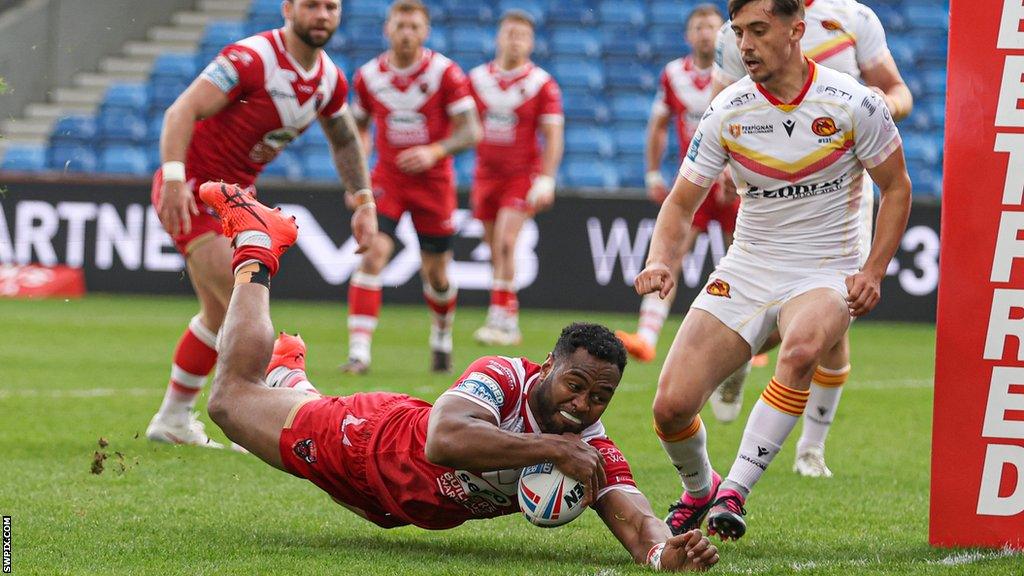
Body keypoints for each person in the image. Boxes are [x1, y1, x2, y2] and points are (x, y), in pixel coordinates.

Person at [193, 181, 720, 572]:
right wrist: (548, 450)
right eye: (575, 385)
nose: (583, 405)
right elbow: (442, 439)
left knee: (270, 405)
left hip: (392, 507)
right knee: (230, 402)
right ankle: (258, 249)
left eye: (600, 397)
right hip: (365, 443)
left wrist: (659, 552)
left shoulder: (589, 449)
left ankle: (288, 373)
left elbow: (635, 516)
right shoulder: (505, 378)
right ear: (547, 366)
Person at [634, 0, 911, 540]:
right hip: (749, 264)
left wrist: (873, 271)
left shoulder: (853, 102)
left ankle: (736, 490)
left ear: (795, 31)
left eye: (758, 31)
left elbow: (897, 187)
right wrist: (660, 261)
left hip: (826, 267)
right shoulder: (726, 109)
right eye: (739, 32)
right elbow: (680, 202)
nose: (745, 45)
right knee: (670, 408)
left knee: (803, 347)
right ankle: (701, 490)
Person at [146, 0, 376, 448]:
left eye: (332, 7)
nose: (323, 15)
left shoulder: (329, 79)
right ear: (289, 8)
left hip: (236, 203)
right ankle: (278, 413)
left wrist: (364, 200)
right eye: (312, 5)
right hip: (194, 190)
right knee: (243, 300)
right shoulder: (250, 59)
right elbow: (181, 111)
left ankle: (173, 418)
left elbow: (345, 137)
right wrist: (174, 179)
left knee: (219, 314)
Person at [708, 0, 914, 478]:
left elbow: (897, 90)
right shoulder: (741, 28)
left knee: (836, 313)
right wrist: (720, 164)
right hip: (768, 186)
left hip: (841, 186)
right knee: (784, 302)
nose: (748, 38)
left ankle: (810, 449)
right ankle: (748, 351)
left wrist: (884, 105)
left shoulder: (854, 17)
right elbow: (721, 102)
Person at [343, 0, 482, 375]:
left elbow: (471, 131)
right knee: (372, 254)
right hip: (389, 180)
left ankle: (441, 336)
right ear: (387, 29)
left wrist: (434, 150)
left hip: (434, 184)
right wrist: (357, 180)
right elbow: (357, 129)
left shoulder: (445, 74)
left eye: (414, 27)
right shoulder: (369, 76)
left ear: (425, 32)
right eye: (400, 26)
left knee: (435, 274)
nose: (406, 33)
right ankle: (359, 354)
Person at [615, 5, 739, 367]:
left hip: (736, 180)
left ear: (724, 34)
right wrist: (653, 172)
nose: (705, 33)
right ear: (688, 35)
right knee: (670, 254)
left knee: (741, 259)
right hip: (695, 180)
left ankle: (746, 339)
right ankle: (647, 336)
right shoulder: (673, 74)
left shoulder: (742, 71)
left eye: (713, 27)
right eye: (699, 27)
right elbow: (658, 124)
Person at [467, 10, 565, 347]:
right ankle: (506, 315)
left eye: (522, 35)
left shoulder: (540, 84)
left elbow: (553, 134)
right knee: (494, 246)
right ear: (499, 37)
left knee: (507, 242)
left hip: (521, 174)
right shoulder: (477, 79)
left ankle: (502, 320)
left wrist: (547, 178)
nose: (515, 41)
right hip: (485, 175)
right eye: (510, 33)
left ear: (531, 42)